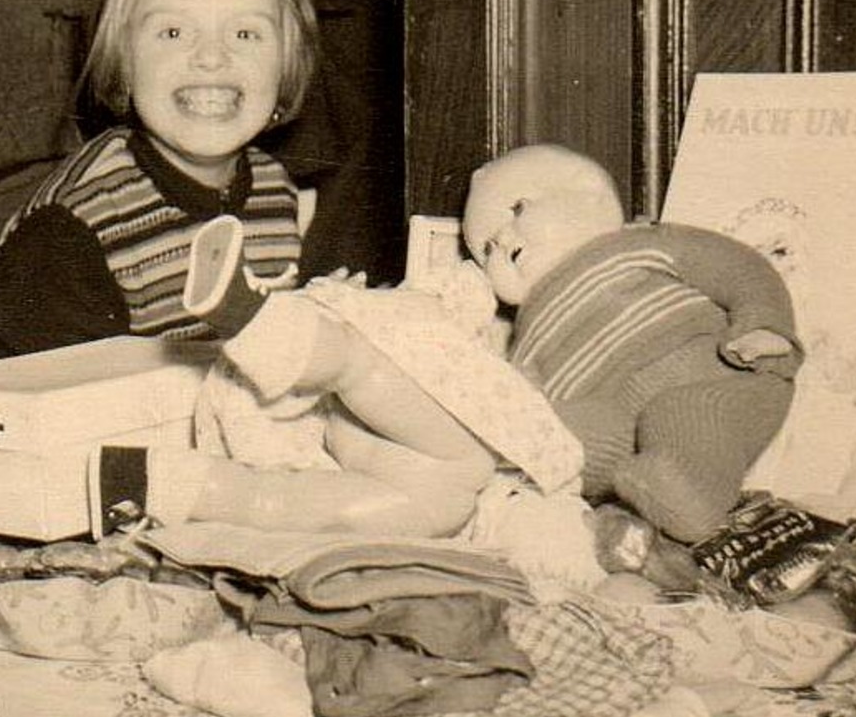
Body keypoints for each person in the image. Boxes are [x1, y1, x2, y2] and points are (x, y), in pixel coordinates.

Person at [188, 143, 803, 545]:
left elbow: (741, 268)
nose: (501, 239)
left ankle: (686, 490)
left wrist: (762, 324)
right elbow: (510, 407)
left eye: (516, 208)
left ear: (589, 193)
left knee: (689, 417)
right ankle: (302, 345)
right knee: (545, 445)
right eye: (485, 247)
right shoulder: (520, 323)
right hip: (596, 422)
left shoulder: (641, 245)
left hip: (706, 371)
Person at [0, 0, 318, 360]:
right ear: (125, 65)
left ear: (286, 68)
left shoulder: (275, 188)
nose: (212, 57)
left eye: (245, 33)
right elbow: (50, 413)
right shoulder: (67, 232)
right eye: (172, 32)